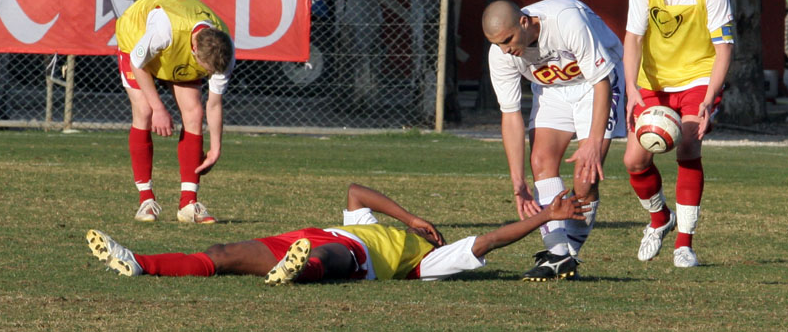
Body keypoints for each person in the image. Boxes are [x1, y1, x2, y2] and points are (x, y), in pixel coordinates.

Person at [85, 183, 590, 283]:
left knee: (338, 261)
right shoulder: (385, 228)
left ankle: (299, 270)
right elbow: (355, 192)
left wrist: (546, 215)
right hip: (301, 238)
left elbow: (490, 240)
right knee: (221, 251)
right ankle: (139, 263)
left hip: (345, 257)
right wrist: (409, 217)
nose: (438, 236)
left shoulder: (428, 263)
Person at [481, 0, 625, 281]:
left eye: (508, 40)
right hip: (552, 90)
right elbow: (510, 115)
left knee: (585, 181)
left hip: (596, 83)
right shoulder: (500, 54)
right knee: (540, 161)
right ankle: (559, 256)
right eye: (497, 44)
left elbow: (601, 81)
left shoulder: (566, 20)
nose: (505, 50)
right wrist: (517, 180)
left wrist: (593, 144)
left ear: (524, 21)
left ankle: (568, 251)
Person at [623, 0, 734, 268]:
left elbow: (724, 48)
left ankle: (684, 245)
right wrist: (631, 89)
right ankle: (660, 219)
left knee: (688, 146)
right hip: (653, 80)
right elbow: (633, 38)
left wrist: (709, 97)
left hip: (697, 77)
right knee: (634, 161)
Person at [115, 0, 235, 224]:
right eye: (204, 69)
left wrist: (215, 149)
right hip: (136, 41)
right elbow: (138, 64)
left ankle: (188, 204)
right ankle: (146, 201)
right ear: (194, 50)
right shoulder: (164, 30)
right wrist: (158, 108)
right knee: (144, 111)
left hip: (175, 51)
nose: (207, 74)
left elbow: (214, 103)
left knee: (194, 113)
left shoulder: (224, 50)